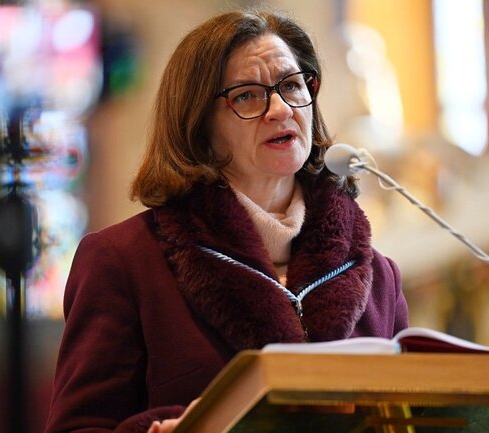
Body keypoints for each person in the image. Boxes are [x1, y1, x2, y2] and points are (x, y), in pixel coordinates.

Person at [45, 8, 409, 433]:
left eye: (292, 85)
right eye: (248, 96)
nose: (280, 109)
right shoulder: (123, 261)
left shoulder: (378, 276)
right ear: (199, 126)